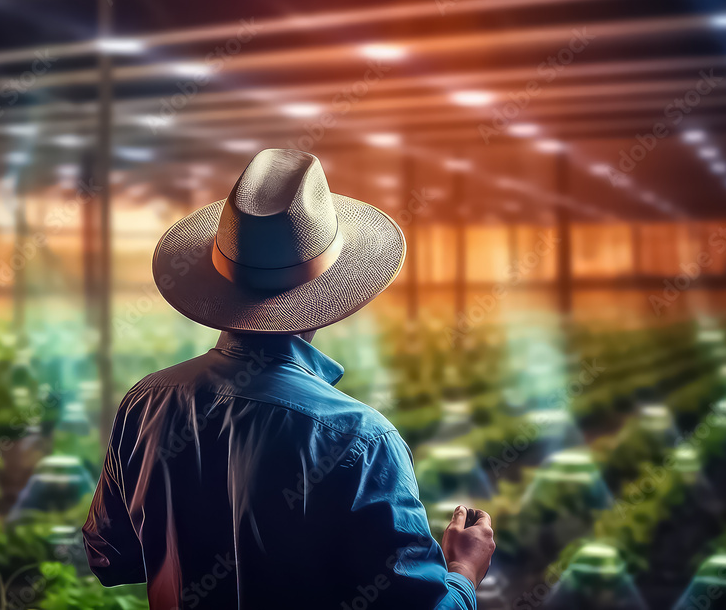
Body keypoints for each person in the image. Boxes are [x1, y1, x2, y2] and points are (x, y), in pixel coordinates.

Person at [83, 148, 495, 609]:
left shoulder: (146, 402)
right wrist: (463, 569)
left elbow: (110, 557)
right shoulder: (358, 438)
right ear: (331, 287)